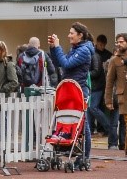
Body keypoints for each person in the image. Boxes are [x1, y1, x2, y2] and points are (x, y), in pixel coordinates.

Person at [48, 23, 95, 164]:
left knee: (82, 122)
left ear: (80, 35)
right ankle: (68, 149)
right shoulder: (77, 48)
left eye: (71, 33)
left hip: (79, 89)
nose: (69, 35)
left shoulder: (84, 50)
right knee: (68, 119)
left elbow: (67, 64)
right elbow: (59, 63)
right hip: (70, 88)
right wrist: (53, 48)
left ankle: (85, 156)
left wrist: (57, 46)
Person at [89, 34, 110, 135]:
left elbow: (96, 71)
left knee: (93, 108)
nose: (102, 47)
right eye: (100, 44)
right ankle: (91, 129)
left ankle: (106, 128)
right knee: (91, 109)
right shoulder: (94, 54)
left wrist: (85, 75)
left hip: (97, 85)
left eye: (103, 45)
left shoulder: (95, 55)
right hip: (96, 85)